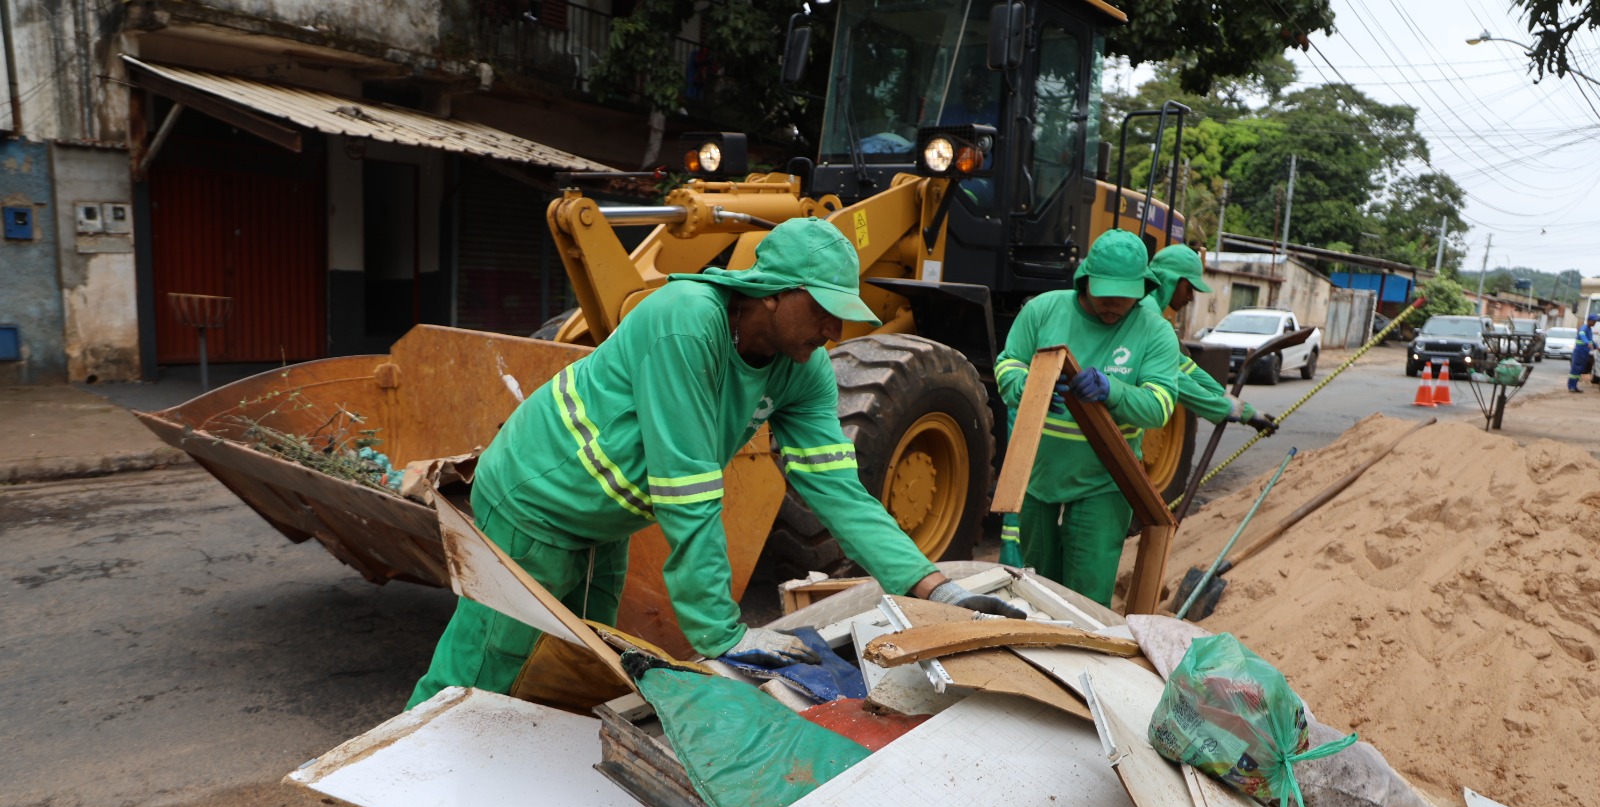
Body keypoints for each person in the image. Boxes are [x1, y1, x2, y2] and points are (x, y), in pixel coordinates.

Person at [407, 217, 1021, 709]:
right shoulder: (686, 322)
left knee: (577, 666)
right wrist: (722, 637)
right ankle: (396, 788)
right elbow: (687, 487)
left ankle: (499, 788)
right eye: (823, 309)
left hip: (602, 523)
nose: (834, 330)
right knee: (487, 661)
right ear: (775, 294)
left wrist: (936, 587)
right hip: (536, 497)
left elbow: (840, 492)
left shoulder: (803, 373)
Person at [993, 229, 1182, 606]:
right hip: (1038, 474)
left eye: (1124, 296)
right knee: (1035, 591)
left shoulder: (1154, 331)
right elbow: (1006, 364)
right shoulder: (1043, 310)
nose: (1113, 304)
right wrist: (1030, 386)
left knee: (1086, 599)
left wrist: (1114, 391)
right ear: (1085, 281)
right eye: (1104, 293)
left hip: (1104, 481)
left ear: (1144, 288)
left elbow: (1160, 406)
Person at [1144, 244, 1279, 435]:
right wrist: (1229, 409)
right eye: (1189, 288)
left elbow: (1186, 367)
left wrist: (1230, 399)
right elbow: (1176, 378)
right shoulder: (1147, 312)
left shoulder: (1151, 308)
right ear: (1171, 280)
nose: (1191, 297)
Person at [1569, 313, 1596, 393]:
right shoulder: (1584, 328)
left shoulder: (1589, 329)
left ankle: (1575, 386)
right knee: (1575, 369)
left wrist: (1596, 346)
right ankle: (1571, 386)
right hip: (1579, 352)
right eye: (1593, 321)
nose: (1594, 323)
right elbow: (1582, 334)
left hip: (1584, 352)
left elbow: (1591, 340)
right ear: (1589, 321)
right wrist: (1587, 342)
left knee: (1580, 370)